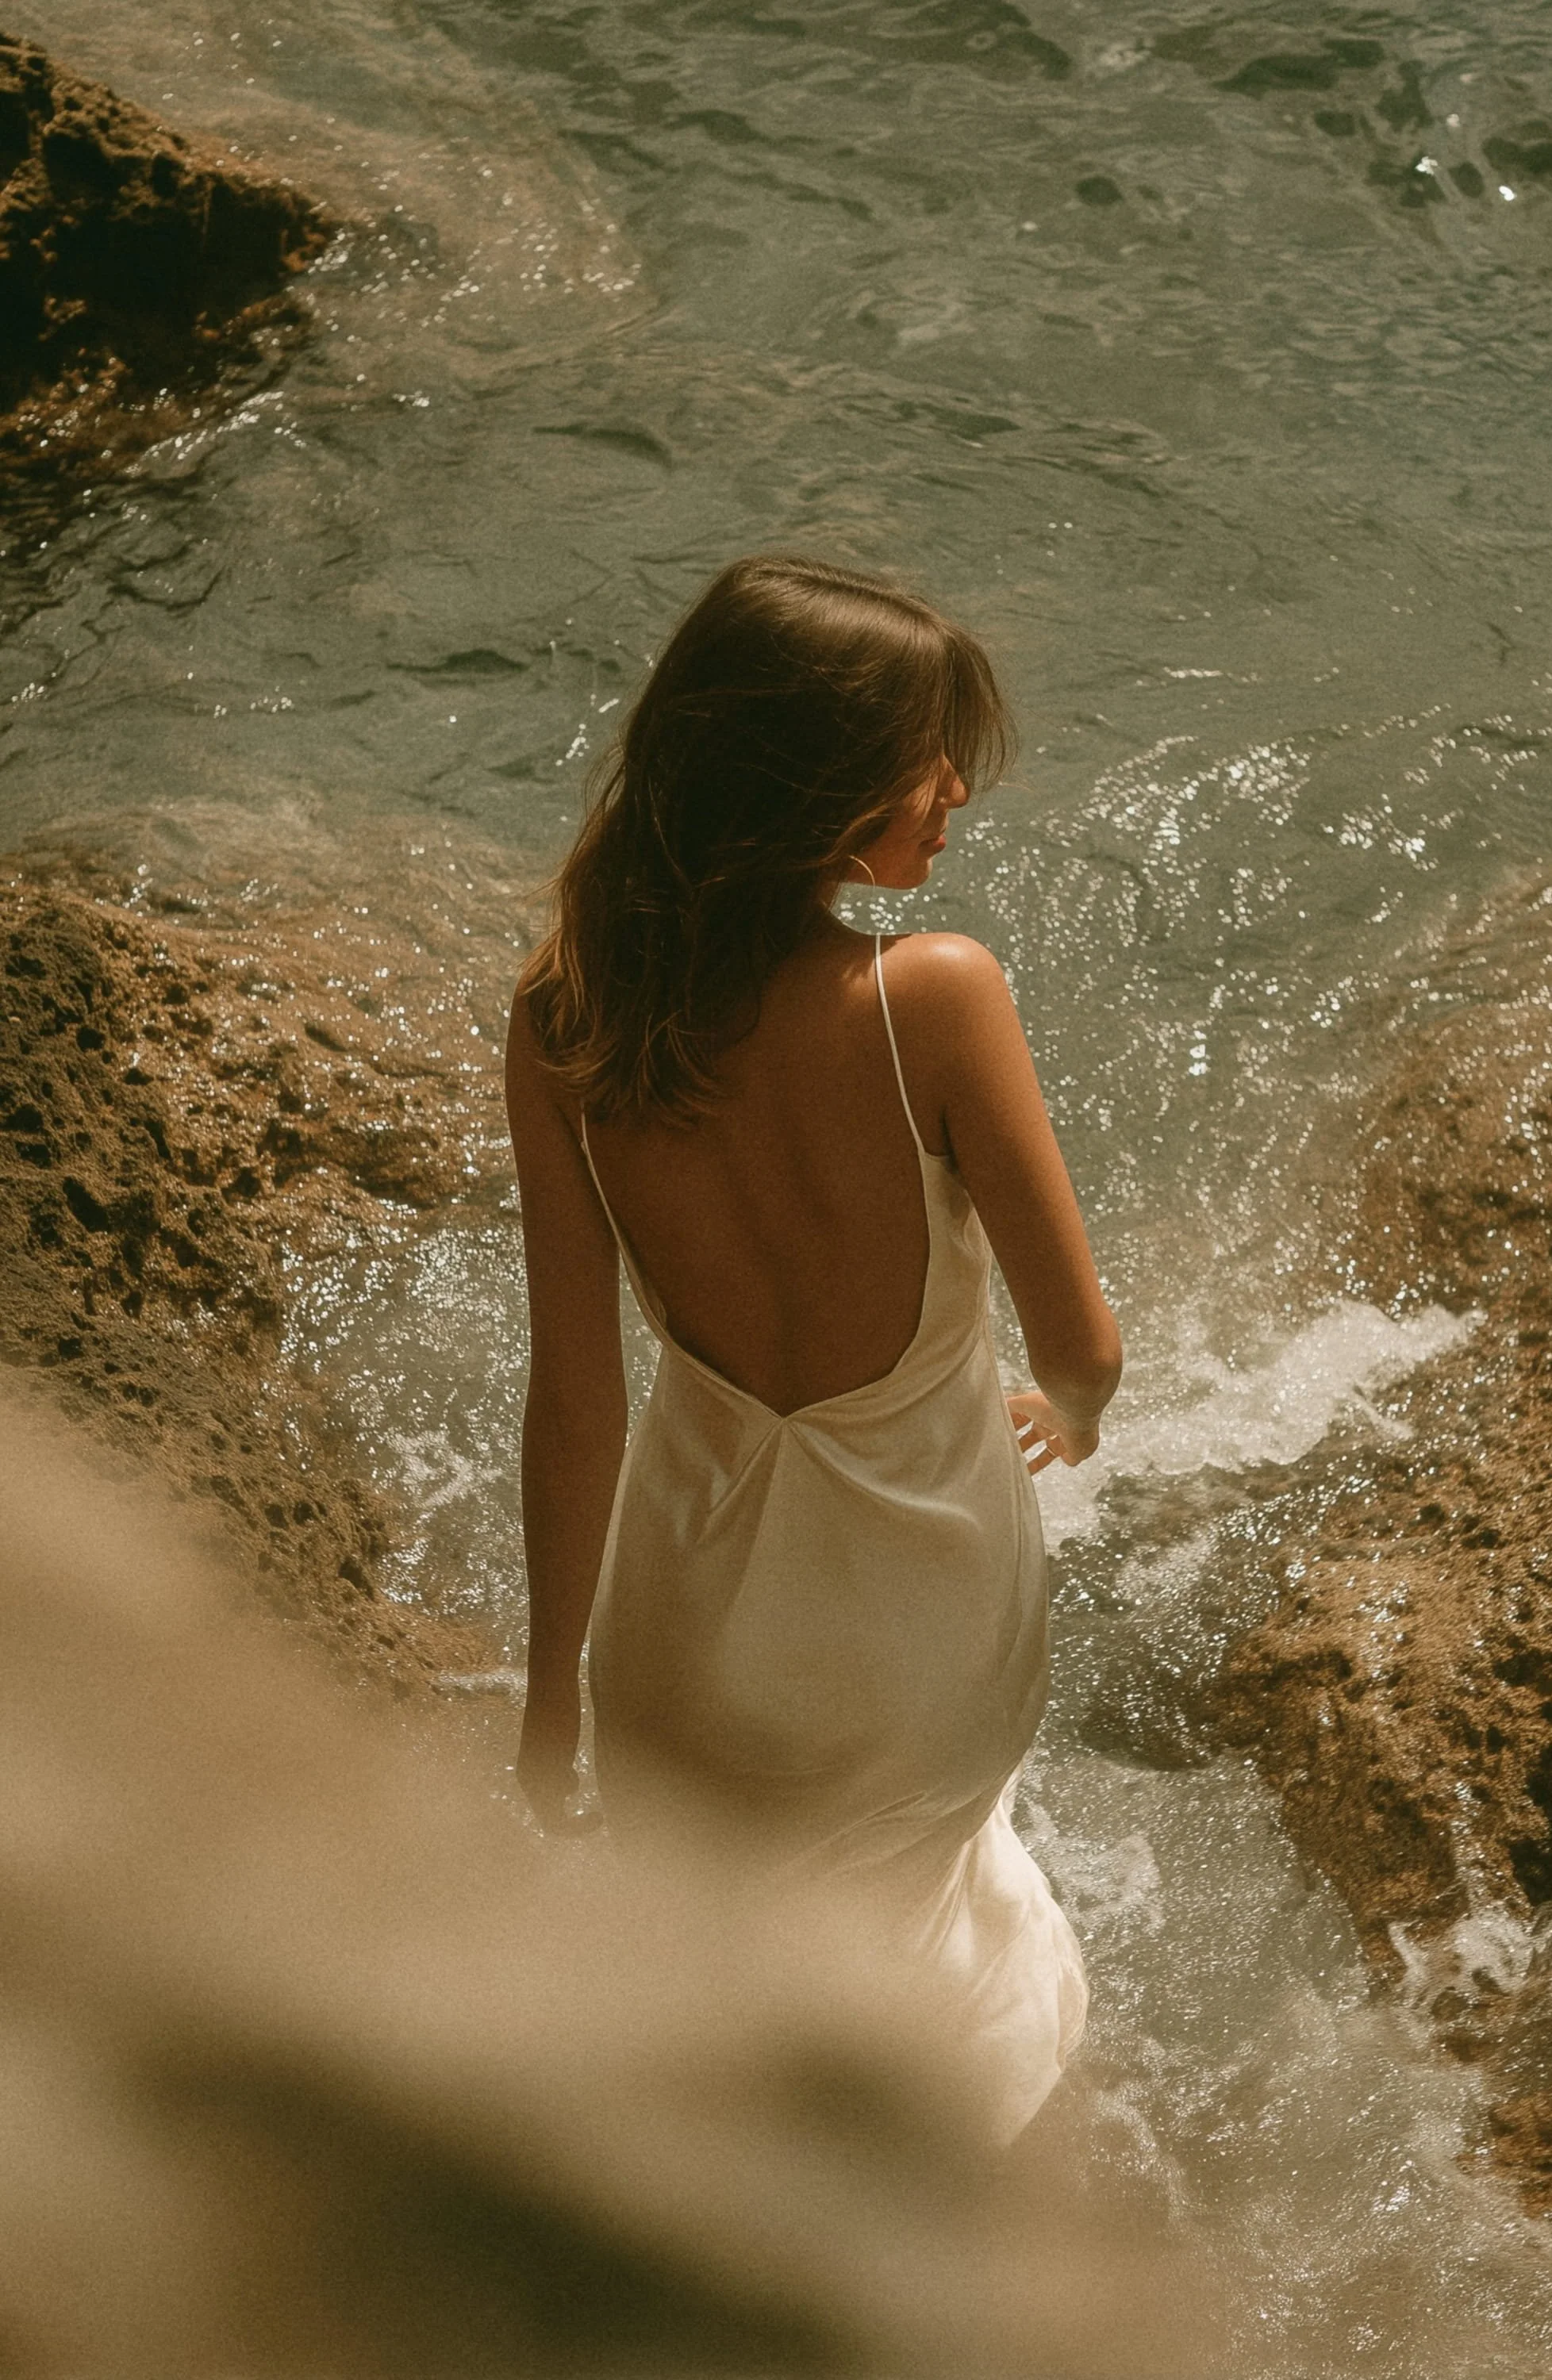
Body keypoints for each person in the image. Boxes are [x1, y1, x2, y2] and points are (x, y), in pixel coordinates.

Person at [505, 554, 1121, 2140]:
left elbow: (575, 1405)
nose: (957, 789)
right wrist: (1066, 1409)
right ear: (810, 783)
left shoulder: (568, 1015)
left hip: (682, 1632)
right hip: (911, 1635)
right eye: (927, 755)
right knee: (916, 1972)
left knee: (708, 2002)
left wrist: (549, 1695)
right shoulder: (934, 996)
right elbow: (1084, 1342)